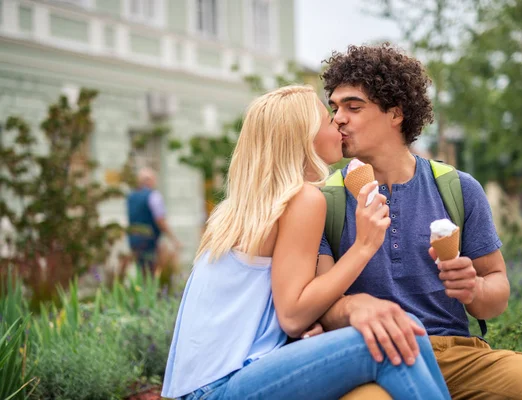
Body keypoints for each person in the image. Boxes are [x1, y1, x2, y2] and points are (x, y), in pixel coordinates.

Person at [316, 43, 522, 399]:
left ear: (396, 114)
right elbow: (321, 304)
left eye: (353, 107)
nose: (338, 117)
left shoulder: (458, 188)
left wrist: (474, 289)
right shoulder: (326, 200)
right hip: (372, 360)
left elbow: (497, 293)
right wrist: (353, 307)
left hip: (458, 357)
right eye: (335, 107)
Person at [161, 85, 451, 400]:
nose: (339, 123)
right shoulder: (303, 199)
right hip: (217, 389)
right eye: (329, 120)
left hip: (202, 388)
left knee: (404, 327)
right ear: (304, 138)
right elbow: (293, 314)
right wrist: (365, 246)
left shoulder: (244, 207)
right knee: (392, 336)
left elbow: (283, 308)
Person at [126, 167, 181, 276]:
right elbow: (160, 220)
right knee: (153, 272)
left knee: (141, 272)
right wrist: (174, 240)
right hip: (150, 240)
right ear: (150, 181)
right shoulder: (154, 196)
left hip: (133, 240)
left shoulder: (131, 197)